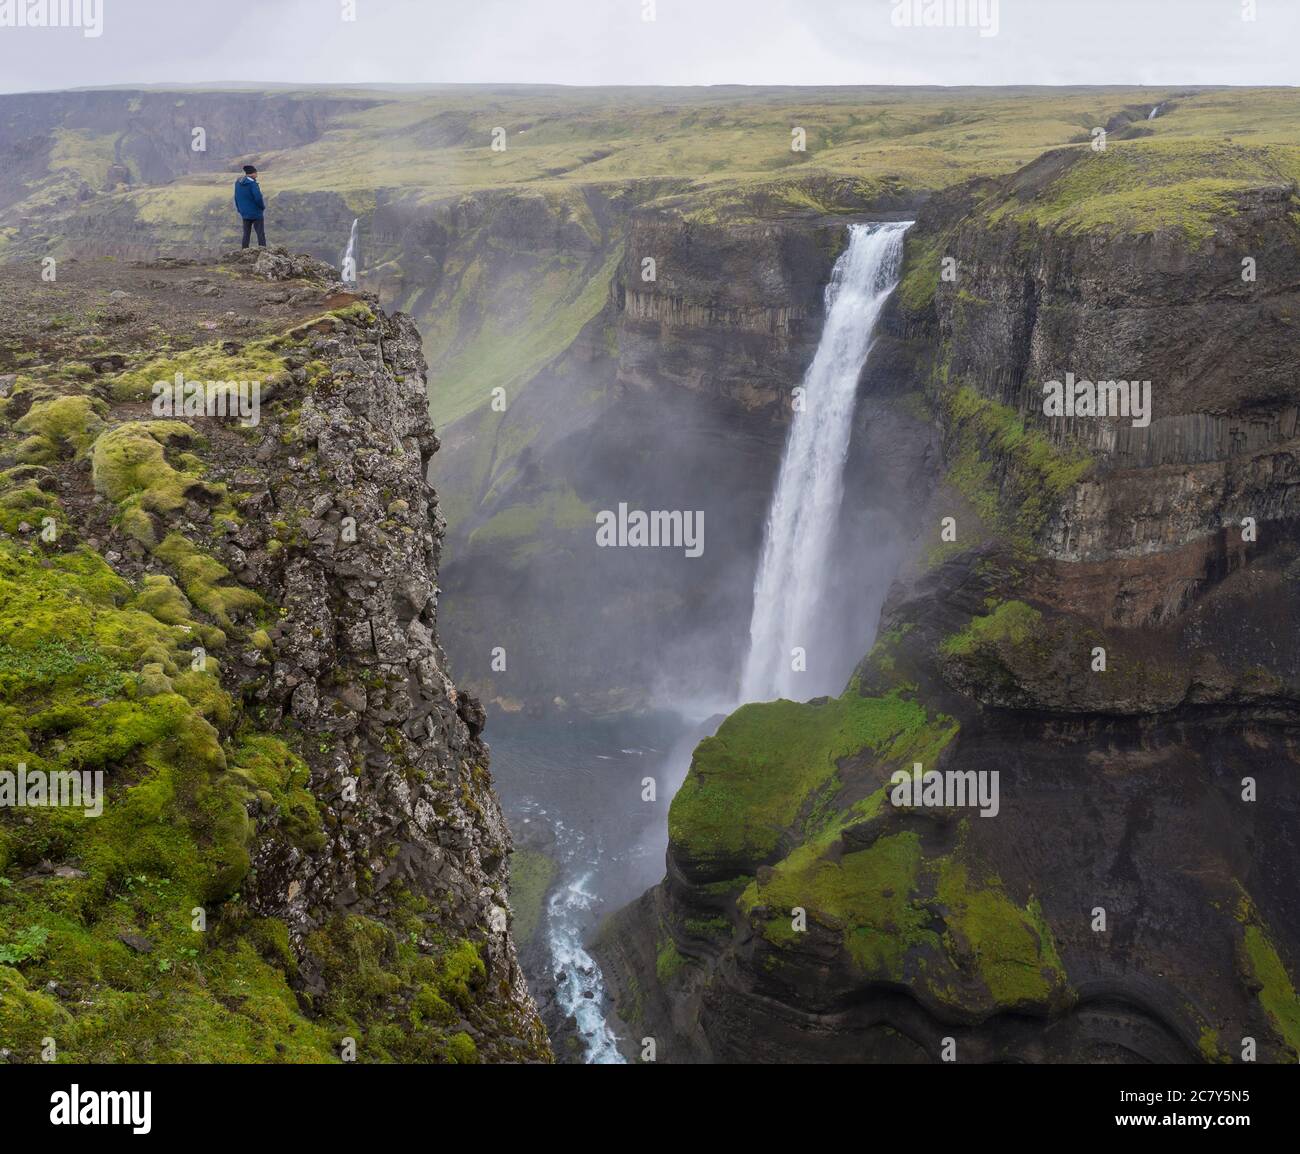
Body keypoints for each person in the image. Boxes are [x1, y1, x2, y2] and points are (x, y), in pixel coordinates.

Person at [234, 165, 267, 248]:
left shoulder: (238, 183)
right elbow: (258, 197)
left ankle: (244, 251)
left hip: (244, 212)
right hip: (256, 212)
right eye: (256, 173)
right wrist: (262, 207)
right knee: (260, 233)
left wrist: (239, 209)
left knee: (246, 233)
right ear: (253, 174)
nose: (257, 175)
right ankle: (263, 250)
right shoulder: (252, 184)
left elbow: (236, 197)